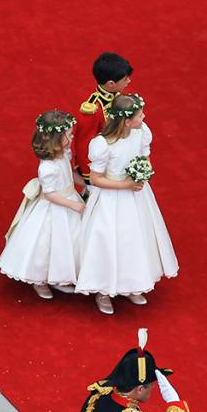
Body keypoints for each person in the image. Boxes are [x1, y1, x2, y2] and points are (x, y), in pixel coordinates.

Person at [75, 94, 178, 314]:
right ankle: (103, 291)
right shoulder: (102, 144)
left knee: (136, 239)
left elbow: (145, 156)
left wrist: (142, 173)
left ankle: (132, 284)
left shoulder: (141, 132)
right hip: (112, 197)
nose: (144, 116)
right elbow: (95, 179)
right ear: (127, 121)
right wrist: (126, 185)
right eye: (140, 115)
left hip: (137, 195)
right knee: (110, 241)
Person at [0, 111, 85, 299]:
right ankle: (40, 280)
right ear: (55, 139)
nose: (71, 138)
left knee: (71, 242)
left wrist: (85, 183)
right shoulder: (47, 167)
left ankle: (61, 276)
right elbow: (50, 194)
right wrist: (72, 205)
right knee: (49, 243)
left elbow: (70, 174)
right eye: (68, 135)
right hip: (56, 207)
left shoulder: (63, 154)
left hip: (69, 198)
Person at [76, 52, 133, 193]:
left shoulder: (119, 97)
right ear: (111, 84)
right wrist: (89, 178)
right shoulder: (93, 110)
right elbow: (84, 146)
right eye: (125, 79)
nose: (129, 81)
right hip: (103, 172)